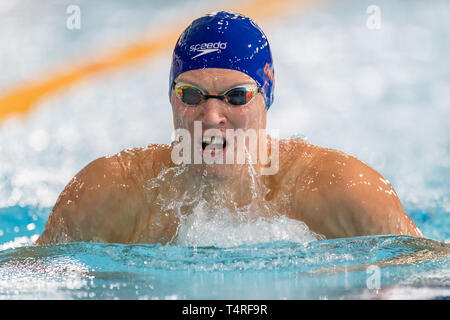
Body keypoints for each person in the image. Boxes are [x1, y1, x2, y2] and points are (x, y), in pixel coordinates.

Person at [36, 11, 423, 245]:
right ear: (170, 97)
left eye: (236, 97)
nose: (211, 116)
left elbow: (430, 274)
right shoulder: (108, 193)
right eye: (191, 95)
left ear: (265, 97)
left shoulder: (342, 190)